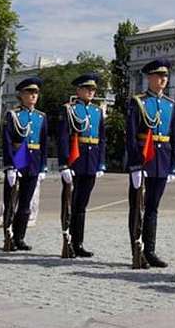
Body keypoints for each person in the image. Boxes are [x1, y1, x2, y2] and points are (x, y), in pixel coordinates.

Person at [126, 58, 175, 268]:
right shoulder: (138, 102)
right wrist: (135, 165)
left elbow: (174, 136)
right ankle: (136, 251)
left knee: (153, 209)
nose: (162, 79)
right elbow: (131, 135)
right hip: (143, 160)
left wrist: (174, 164)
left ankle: (150, 250)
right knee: (137, 207)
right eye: (158, 76)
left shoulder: (170, 104)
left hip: (162, 160)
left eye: (165, 76)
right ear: (149, 78)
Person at [58, 73, 107, 258]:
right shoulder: (69, 109)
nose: (91, 92)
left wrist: (101, 163)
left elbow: (102, 139)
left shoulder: (96, 111)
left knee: (82, 205)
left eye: (93, 89)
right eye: (87, 89)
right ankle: (68, 240)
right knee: (70, 203)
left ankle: (78, 243)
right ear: (78, 90)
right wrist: (64, 164)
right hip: (74, 161)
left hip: (91, 160)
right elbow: (63, 138)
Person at [1, 77, 48, 251]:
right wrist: (10, 166)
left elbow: (43, 142)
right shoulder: (13, 115)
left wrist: (42, 166)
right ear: (21, 94)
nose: (33, 95)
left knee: (25, 204)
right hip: (19, 157)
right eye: (29, 92)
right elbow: (7, 141)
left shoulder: (41, 116)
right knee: (11, 201)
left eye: (35, 92)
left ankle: (20, 237)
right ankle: (9, 237)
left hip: (34, 159)